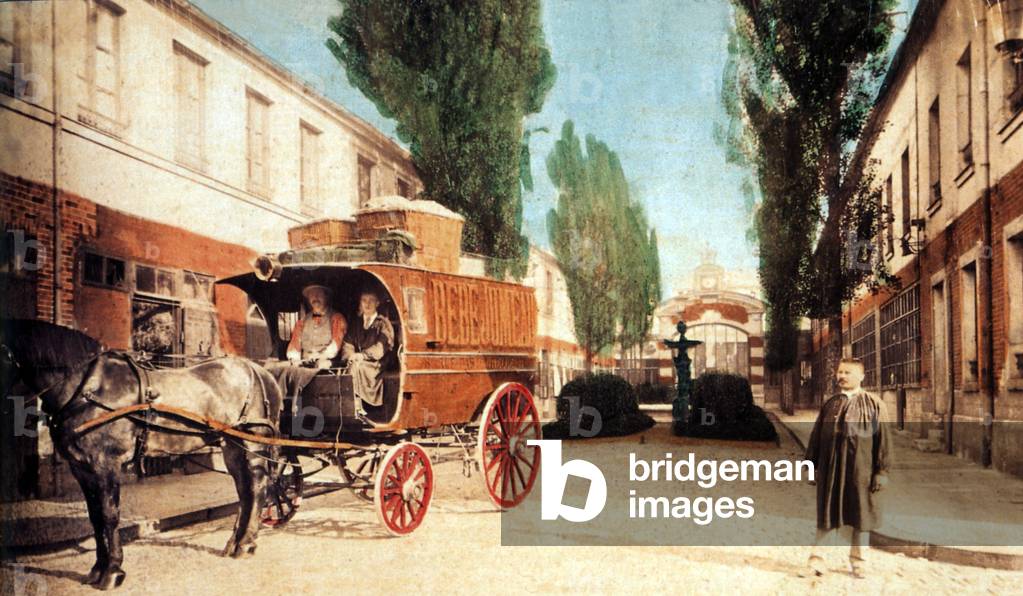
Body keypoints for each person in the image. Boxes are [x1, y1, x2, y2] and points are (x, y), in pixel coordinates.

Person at [803, 358, 892, 579]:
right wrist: (810, 464)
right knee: (826, 514)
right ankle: (817, 561)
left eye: (848, 372)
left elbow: (884, 440)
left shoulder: (874, 404)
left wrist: (882, 471)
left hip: (861, 470)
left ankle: (859, 562)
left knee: (861, 515)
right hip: (831, 469)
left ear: (861, 376)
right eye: (840, 372)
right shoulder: (831, 404)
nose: (842, 376)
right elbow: (816, 437)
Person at [342, 291, 394, 420]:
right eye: (364, 300)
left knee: (356, 367)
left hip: (376, 363)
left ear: (377, 303)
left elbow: (380, 348)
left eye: (371, 300)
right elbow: (347, 343)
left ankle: (356, 406)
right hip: (358, 360)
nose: (368, 304)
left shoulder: (383, 323)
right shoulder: (356, 323)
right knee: (346, 367)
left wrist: (362, 356)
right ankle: (344, 406)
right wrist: (350, 355)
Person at [286, 285, 347, 369]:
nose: (315, 298)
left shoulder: (337, 318)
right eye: (311, 295)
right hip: (305, 363)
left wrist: (321, 357)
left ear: (326, 297)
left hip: (328, 363)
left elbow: (335, 345)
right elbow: (294, 345)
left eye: (319, 294)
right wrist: (294, 360)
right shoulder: (302, 321)